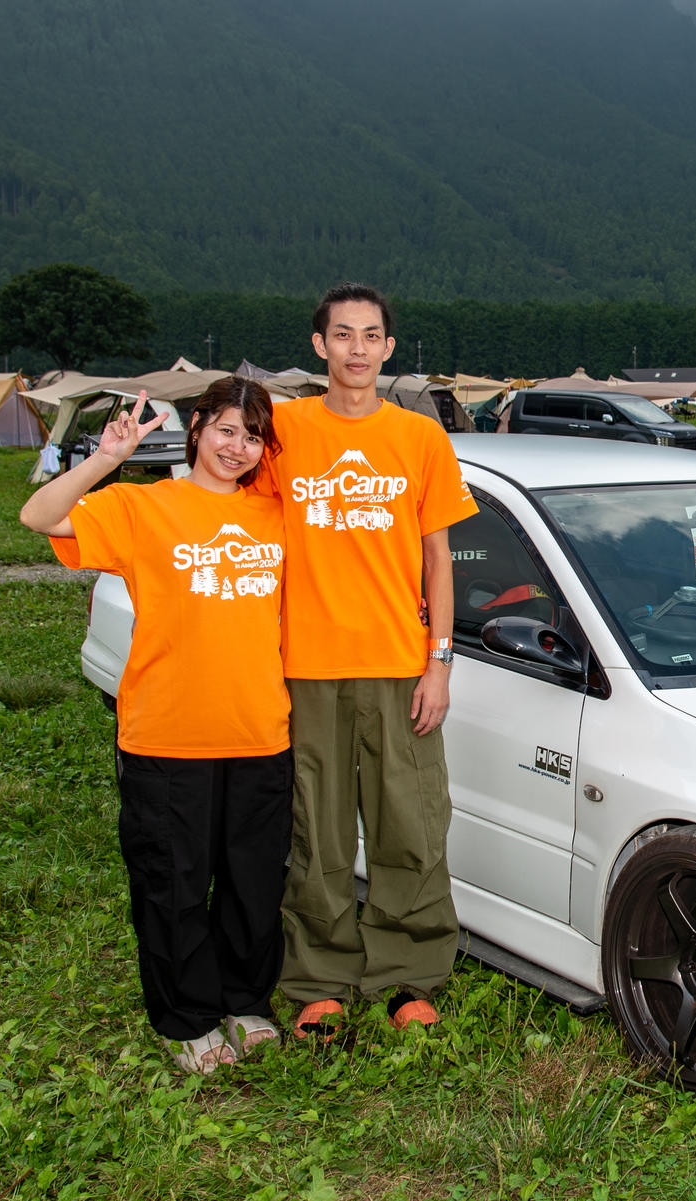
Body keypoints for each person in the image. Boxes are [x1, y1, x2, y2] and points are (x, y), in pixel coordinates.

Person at [20, 379, 290, 1075]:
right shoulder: (144, 507)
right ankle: (186, 1015)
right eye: (226, 429)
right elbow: (39, 515)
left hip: (260, 729)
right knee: (172, 880)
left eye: (253, 435)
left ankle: (242, 999)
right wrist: (108, 458)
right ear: (197, 428)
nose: (238, 447)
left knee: (251, 880)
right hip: (167, 733)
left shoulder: (274, 514)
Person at [255, 283, 477, 1037]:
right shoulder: (281, 432)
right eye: (342, 333)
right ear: (319, 345)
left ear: (388, 347)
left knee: (408, 825)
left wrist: (439, 660)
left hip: (397, 665)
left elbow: (440, 559)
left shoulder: (418, 439)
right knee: (313, 829)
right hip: (304, 667)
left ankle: (408, 975)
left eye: (371, 334)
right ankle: (317, 977)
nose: (356, 347)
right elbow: (230, 508)